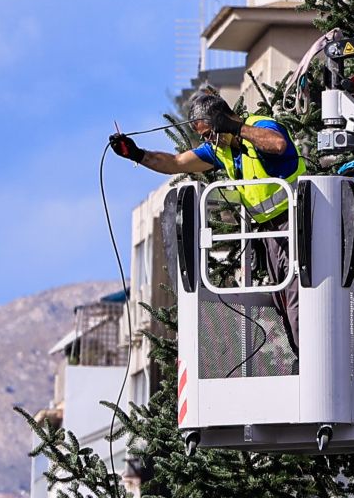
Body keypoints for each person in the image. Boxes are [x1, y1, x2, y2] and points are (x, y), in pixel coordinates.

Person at [109, 90, 306, 354]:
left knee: (297, 303)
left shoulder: (261, 127)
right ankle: (301, 360)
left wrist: (236, 127)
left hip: (296, 224)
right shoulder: (220, 150)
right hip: (270, 235)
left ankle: (309, 365)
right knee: (282, 302)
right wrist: (137, 154)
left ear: (222, 121)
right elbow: (177, 162)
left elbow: (278, 144)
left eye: (210, 133)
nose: (210, 141)